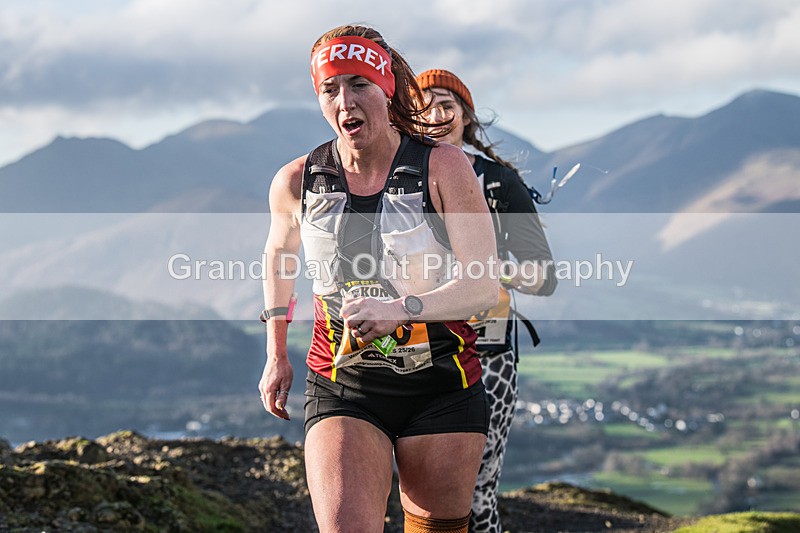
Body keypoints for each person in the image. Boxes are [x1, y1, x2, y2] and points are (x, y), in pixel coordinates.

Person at [258, 26, 501, 533]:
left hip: (442, 384)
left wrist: (401, 308)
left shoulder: (443, 166)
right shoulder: (297, 180)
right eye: (330, 89)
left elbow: (481, 284)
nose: (345, 100)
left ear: (386, 88)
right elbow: (279, 256)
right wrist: (276, 353)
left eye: (359, 84)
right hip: (342, 384)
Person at [416, 69, 557, 533]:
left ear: (466, 116)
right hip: (413, 349)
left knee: (475, 493)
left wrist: (485, 270)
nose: (436, 114)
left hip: (487, 350)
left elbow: (543, 276)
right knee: (419, 495)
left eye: (447, 104)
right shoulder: (398, 178)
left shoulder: (498, 182)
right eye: (424, 103)